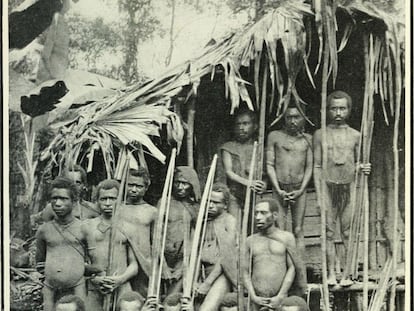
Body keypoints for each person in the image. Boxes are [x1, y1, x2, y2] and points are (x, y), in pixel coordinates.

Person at [313, 91, 371, 285]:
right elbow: (318, 166)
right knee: (328, 233)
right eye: (334, 108)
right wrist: (320, 195)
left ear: (349, 110)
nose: (338, 112)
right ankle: (330, 274)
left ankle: (347, 275)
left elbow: (360, 163)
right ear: (328, 110)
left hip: (349, 187)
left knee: (347, 232)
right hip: (328, 187)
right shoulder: (320, 134)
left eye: (342, 108)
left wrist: (363, 167)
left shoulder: (356, 135)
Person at [35, 177, 100, 311]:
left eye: (64, 199)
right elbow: (40, 262)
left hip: (78, 287)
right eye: (54, 198)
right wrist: (54, 275)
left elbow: (96, 264)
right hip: (50, 289)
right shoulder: (44, 230)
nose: (58, 203)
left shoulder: (83, 229)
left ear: (74, 202)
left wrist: (75, 271)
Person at [266, 105, 312, 282]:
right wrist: (277, 188)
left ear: (304, 118)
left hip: (300, 188)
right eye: (289, 117)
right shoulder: (274, 137)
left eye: (297, 117)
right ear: (283, 119)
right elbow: (269, 164)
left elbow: (309, 166)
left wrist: (301, 189)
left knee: (298, 229)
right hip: (280, 188)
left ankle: (300, 273)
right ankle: (281, 270)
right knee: (280, 229)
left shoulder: (308, 139)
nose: (293, 121)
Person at [85, 179, 139, 310]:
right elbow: (81, 262)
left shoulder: (129, 227)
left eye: (112, 198)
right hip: (95, 288)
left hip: (122, 286)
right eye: (103, 199)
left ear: (120, 200)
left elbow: (134, 265)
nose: (108, 203)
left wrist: (120, 279)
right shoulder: (86, 226)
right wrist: (94, 279)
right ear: (97, 200)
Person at [243, 199, 306, 311]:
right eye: (256, 213)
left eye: (263, 213)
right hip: (256, 300)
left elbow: (292, 267)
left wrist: (281, 295)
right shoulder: (250, 241)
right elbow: (244, 271)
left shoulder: (287, 238)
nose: (258, 217)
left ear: (275, 215)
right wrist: (253, 296)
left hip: (280, 299)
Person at [194, 183, 238, 311]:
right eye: (208, 201)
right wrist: (194, 281)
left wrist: (207, 284)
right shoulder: (202, 223)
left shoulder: (229, 221)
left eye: (215, 202)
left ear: (225, 205)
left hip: (222, 273)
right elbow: (195, 255)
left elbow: (227, 256)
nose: (210, 205)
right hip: (203, 272)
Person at [116, 168, 158, 297]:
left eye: (138, 186)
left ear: (146, 188)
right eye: (130, 185)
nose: (134, 189)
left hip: (144, 263)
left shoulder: (152, 211)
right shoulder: (117, 209)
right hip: (121, 261)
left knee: (143, 297)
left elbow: (156, 242)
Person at [219, 109, 266, 219]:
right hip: (234, 194)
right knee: (235, 226)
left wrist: (264, 185)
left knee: (255, 225)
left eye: (246, 124)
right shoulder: (228, 147)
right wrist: (248, 182)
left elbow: (264, 174)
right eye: (238, 124)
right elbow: (229, 172)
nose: (241, 128)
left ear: (254, 126)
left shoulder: (259, 148)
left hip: (254, 194)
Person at [161, 166, 201, 295]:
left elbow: (194, 239)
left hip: (183, 260)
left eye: (184, 183)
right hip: (162, 258)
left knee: (173, 297)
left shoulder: (195, 208)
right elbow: (156, 235)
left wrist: (183, 267)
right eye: (177, 182)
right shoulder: (164, 203)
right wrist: (163, 265)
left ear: (192, 185)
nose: (180, 187)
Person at [31, 165, 100, 226]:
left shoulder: (92, 209)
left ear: (84, 185)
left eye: (77, 183)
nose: (73, 186)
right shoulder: (53, 208)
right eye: (69, 182)